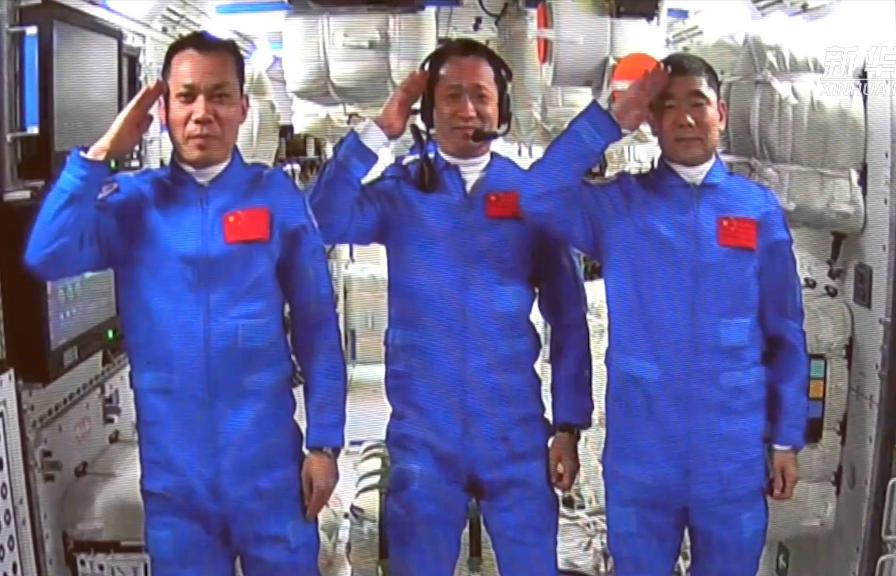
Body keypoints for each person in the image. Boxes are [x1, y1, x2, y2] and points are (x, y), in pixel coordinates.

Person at [308, 38, 659, 576]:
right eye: (451, 95)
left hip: (514, 434)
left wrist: (568, 426)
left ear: (502, 109)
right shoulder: (402, 191)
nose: (467, 109)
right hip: (424, 436)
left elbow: (568, 319)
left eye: (481, 96)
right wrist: (382, 128)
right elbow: (322, 219)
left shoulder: (529, 198)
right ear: (430, 109)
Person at [24, 31, 345, 575]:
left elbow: (317, 328)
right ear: (163, 110)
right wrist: (101, 154)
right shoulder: (133, 204)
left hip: (269, 474)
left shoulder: (275, 198)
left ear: (243, 108)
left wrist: (325, 444)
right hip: (178, 487)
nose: (202, 113)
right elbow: (45, 254)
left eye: (219, 96)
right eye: (186, 96)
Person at [518, 53, 809, 575]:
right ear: (651, 120)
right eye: (668, 106)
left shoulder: (756, 210)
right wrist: (611, 120)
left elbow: (785, 334)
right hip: (642, 458)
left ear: (721, 113)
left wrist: (786, 437)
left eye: (698, 103)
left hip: (732, 455)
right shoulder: (619, 206)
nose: (685, 118)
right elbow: (537, 195)